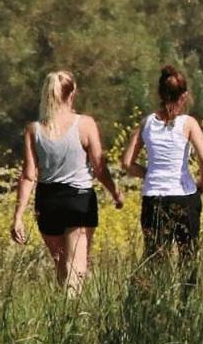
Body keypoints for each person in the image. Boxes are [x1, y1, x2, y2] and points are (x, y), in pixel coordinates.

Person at [11, 70, 123, 292]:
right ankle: (73, 320)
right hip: (78, 201)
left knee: (62, 268)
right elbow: (99, 167)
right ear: (72, 94)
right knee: (76, 268)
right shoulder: (85, 124)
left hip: (47, 201)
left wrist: (18, 216)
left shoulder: (34, 130)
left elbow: (28, 175)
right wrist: (115, 193)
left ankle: (62, 317)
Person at [121, 65, 203, 274]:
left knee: (155, 258)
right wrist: (201, 183)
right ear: (185, 96)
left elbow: (127, 163)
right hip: (184, 195)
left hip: (154, 197)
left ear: (160, 94)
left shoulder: (146, 123)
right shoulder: (188, 123)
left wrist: (149, 173)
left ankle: (151, 303)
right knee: (188, 257)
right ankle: (185, 303)